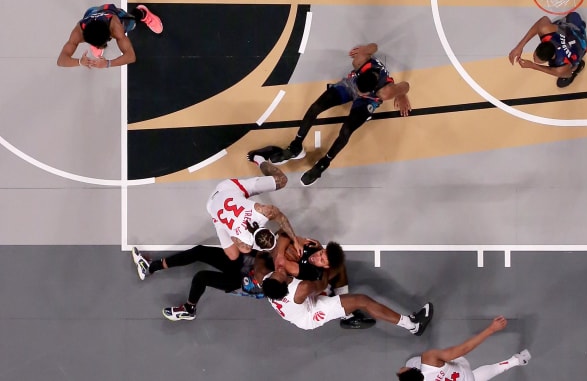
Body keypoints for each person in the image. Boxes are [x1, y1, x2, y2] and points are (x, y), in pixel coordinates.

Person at [262, 43, 412, 186]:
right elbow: (375, 46)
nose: (357, 94)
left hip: (368, 101)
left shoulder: (386, 92)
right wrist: (365, 49)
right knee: (315, 107)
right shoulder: (359, 62)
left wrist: (400, 94)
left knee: (346, 131)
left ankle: (323, 163)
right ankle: (296, 147)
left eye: (360, 92)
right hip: (350, 84)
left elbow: (406, 85)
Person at [261, 269, 433, 334]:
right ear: (284, 283)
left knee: (338, 267)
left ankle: (347, 313)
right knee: (362, 300)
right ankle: (412, 325)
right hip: (310, 314)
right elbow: (321, 283)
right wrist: (323, 263)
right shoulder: (302, 289)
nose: (279, 270)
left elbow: (261, 264)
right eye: (280, 274)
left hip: (300, 304)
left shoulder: (267, 281)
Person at [206, 147, 302, 261]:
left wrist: (295, 240)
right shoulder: (244, 243)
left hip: (225, 192)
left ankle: (258, 158)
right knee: (234, 255)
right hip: (213, 205)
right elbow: (242, 244)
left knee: (281, 180)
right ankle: (257, 157)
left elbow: (281, 219)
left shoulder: (264, 212)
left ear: (270, 230)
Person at [131, 246, 273, 321]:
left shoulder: (262, 280)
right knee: (200, 252)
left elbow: (260, 257)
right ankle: (150, 267)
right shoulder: (284, 263)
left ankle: (188, 309)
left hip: (239, 282)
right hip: (246, 266)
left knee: (201, 277)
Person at [396, 316, 531, 381]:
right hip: (460, 368)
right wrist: (491, 329)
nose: (400, 369)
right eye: (403, 370)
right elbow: (464, 348)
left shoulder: (418, 366)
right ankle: (515, 361)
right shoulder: (429, 359)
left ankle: (515, 361)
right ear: (413, 371)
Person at [57, 4, 163, 69]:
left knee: (131, 23)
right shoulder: (79, 32)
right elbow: (61, 60)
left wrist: (107, 63)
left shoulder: (115, 27)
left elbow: (131, 56)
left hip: (111, 12)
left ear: (109, 35)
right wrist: (79, 62)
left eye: (102, 44)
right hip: (91, 12)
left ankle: (142, 13)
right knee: (95, 35)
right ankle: (96, 41)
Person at [508, 12, 587, 88]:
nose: (534, 59)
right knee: (571, 17)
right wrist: (519, 47)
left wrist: (533, 65)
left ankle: (577, 68)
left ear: (549, 60)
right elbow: (542, 21)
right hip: (574, 31)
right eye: (534, 57)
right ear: (543, 43)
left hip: (583, 46)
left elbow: (566, 74)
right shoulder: (546, 30)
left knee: (571, 69)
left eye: (537, 60)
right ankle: (581, 27)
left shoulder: (560, 64)